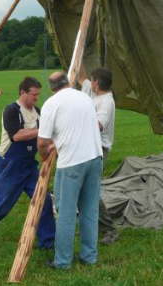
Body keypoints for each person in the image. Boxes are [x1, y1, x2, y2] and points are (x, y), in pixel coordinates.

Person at [0, 77, 55, 248]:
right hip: (10, 165)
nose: (36, 98)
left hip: (29, 165)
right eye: (34, 94)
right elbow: (16, 136)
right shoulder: (11, 110)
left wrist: (50, 144)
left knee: (44, 201)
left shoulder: (37, 111)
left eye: (38, 95)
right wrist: (42, 129)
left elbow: (42, 137)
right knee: (1, 207)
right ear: (23, 92)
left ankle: (48, 242)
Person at [38, 71, 102, 270]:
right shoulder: (85, 97)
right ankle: (89, 256)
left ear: (51, 87)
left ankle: (63, 261)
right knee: (89, 210)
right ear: (68, 82)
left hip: (72, 162)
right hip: (95, 157)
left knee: (65, 213)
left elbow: (42, 141)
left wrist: (44, 156)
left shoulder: (51, 104)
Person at [80, 67, 118, 245]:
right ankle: (91, 224)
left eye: (92, 80)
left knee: (90, 190)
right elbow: (81, 77)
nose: (89, 82)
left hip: (98, 149)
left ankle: (109, 229)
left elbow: (98, 125)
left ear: (97, 82)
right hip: (86, 147)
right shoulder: (93, 93)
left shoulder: (106, 102)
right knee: (83, 188)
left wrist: (73, 126)